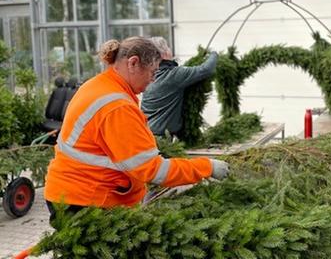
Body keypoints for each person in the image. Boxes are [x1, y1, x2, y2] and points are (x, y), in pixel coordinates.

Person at [44, 36, 229, 220]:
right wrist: (206, 167)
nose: (152, 80)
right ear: (133, 63)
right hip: (84, 200)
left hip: (69, 193)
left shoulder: (99, 85)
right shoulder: (117, 106)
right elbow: (152, 170)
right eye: (152, 72)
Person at [141, 37, 218, 136]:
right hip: (162, 135)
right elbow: (205, 70)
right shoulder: (173, 75)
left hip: (147, 131)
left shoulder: (149, 74)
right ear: (163, 54)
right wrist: (214, 54)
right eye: (168, 47)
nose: (170, 50)